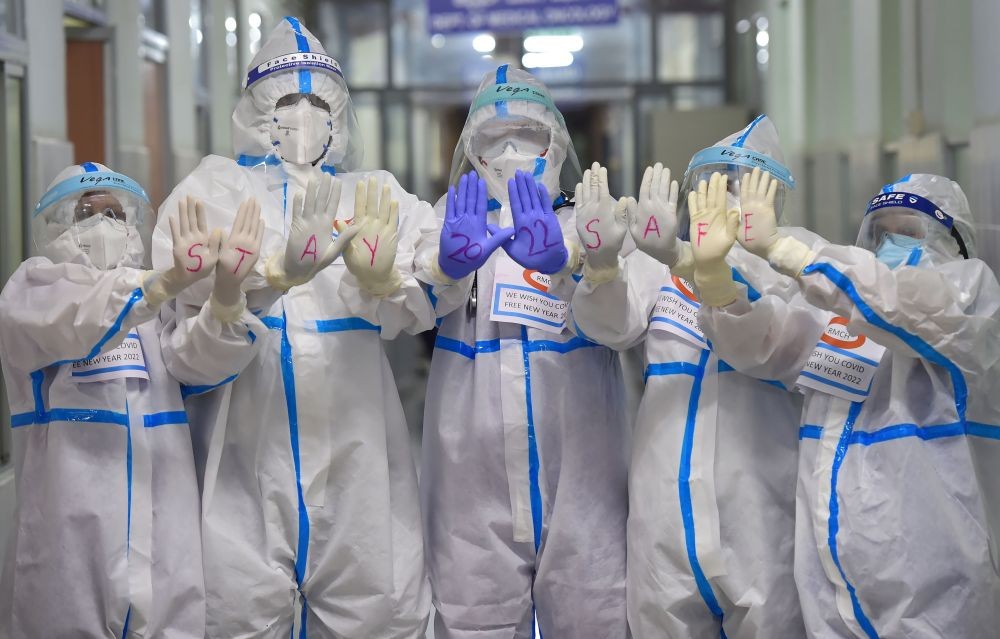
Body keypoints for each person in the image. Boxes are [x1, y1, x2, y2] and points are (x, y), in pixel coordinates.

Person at [153, 17, 436, 638]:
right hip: (244, 457)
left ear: (339, 116)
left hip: (358, 454)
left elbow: (433, 276)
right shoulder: (213, 191)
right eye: (286, 101)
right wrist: (258, 282)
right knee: (236, 614)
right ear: (255, 111)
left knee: (377, 611)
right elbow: (183, 353)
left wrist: (389, 279)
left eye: (318, 103)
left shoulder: (370, 196)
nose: (303, 115)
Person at [695, 171, 1000, 637]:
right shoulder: (843, 315)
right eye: (881, 232)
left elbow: (907, 304)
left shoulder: (970, 296)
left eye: (910, 231)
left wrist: (789, 252)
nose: (891, 244)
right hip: (831, 591)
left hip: (935, 597)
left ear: (952, 239)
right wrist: (717, 284)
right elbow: (766, 343)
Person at [0, 162, 264, 637]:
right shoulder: (34, 290)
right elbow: (77, 318)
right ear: (57, 227)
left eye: (116, 215)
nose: (105, 225)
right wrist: (162, 283)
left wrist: (225, 298)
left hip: (164, 521)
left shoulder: (153, 307)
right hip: (70, 539)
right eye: (86, 213)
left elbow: (197, 364)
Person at [569, 115, 808, 637]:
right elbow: (613, 326)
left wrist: (700, 267)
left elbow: (781, 351)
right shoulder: (657, 264)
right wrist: (605, 266)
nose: (724, 202)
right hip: (665, 512)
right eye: (713, 187)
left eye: (742, 188)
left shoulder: (791, 266)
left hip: (758, 509)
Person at [414, 65, 628, 638]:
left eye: (530, 137)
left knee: (592, 620)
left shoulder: (594, 226)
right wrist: (445, 269)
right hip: (471, 491)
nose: (512, 152)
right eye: (493, 139)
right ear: (471, 152)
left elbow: (623, 325)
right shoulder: (449, 225)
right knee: (474, 622)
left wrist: (573, 265)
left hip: (585, 483)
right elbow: (406, 306)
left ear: (556, 145)